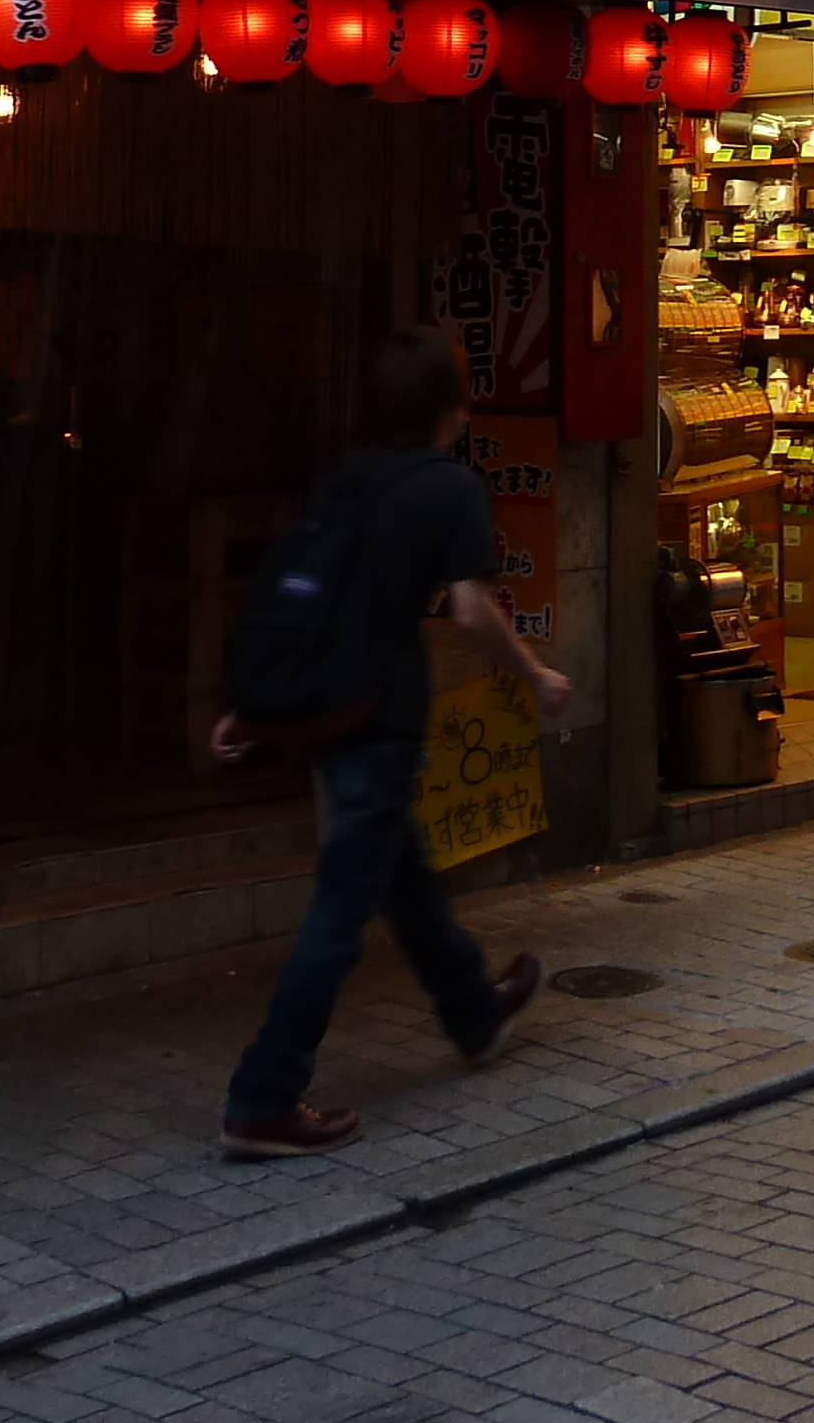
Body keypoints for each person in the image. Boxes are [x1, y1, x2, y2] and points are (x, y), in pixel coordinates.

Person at [217, 328, 568, 1159]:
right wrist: (535, 676)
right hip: (377, 713)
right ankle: (262, 1097)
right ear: (456, 406)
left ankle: (475, 1015)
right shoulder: (447, 488)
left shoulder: (345, 476)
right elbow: (473, 612)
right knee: (342, 912)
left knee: (401, 877)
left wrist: (253, 705)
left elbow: (302, 593)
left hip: (328, 707)